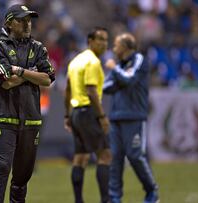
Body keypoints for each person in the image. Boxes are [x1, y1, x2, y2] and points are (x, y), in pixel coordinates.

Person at [0, 4, 55, 203]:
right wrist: (33, 73)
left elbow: (48, 79)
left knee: (23, 175)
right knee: (4, 166)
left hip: (31, 118)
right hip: (4, 116)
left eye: (29, 20)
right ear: (9, 22)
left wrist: (22, 71)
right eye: (21, 20)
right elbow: (6, 82)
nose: (27, 24)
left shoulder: (38, 47)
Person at [103, 33, 159, 203]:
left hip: (134, 116)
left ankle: (151, 191)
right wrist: (121, 75)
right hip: (116, 117)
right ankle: (115, 197)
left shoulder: (139, 59)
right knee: (115, 158)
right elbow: (106, 87)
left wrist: (116, 70)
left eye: (116, 45)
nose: (113, 49)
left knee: (135, 156)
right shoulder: (120, 65)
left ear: (126, 47)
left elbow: (130, 79)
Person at [64, 27, 112, 203]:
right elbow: (92, 92)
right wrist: (101, 117)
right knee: (105, 155)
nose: (104, 44)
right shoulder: (92, 62)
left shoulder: (75, 61)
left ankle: (78, 200)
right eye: (100, 39)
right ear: (90, 41)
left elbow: (68, 90)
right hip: (89, 112)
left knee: (81, 157)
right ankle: (106, 200)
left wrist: (67, 116)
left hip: (76, 113)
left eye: (106, 40)